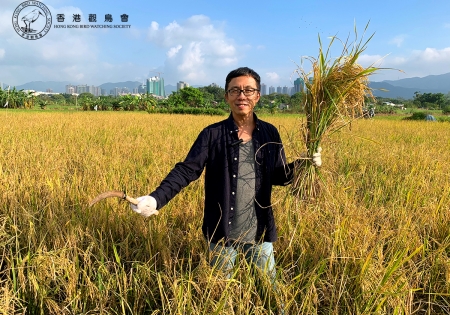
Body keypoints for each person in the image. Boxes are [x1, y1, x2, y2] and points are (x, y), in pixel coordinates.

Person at [130, 66, 321, 298]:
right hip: (222, 233)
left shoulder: (270, 133)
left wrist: (304, 164)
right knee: (221, 295)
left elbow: (279, 176)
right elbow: (186, 171)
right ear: (226, 96)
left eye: (249, 90)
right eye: (235, 90)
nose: (242, 96)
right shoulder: (212, 134)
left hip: (259, 233)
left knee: (269, 294)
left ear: (258, 96)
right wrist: (156, 198)